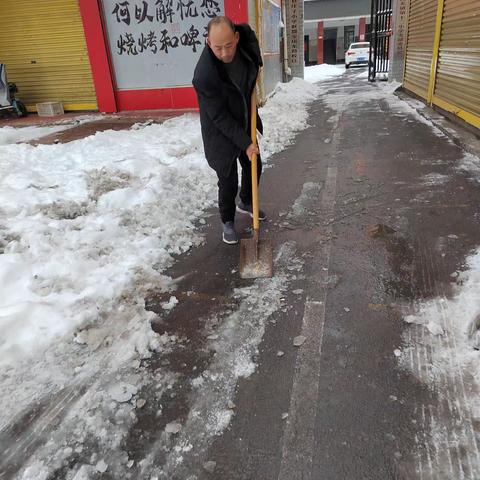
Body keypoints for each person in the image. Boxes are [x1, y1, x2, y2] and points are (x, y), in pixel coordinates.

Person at [192, 16, 266, 245]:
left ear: (236, 37)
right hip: (219, 130)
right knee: (228, 178)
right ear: (208, 43)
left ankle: (245, 201)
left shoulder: (245, 38)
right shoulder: (204, 76)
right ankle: (227, 221)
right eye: (218, 48)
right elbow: (219, 117)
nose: (224, 53)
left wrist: (256, 70)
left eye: (229, 46)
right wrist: (245, 143)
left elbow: (255, 55)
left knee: (254, 165)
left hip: (243, 115)